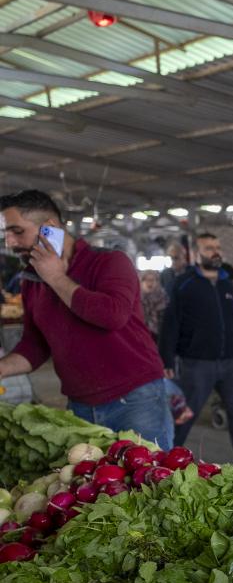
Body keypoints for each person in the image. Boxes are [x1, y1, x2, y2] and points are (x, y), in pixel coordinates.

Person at [0, 189, 173, 448]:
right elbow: (35, 345)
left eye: (17, 231)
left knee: (151, 480)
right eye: (6, 235)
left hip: (135, 399)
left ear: (49, 227)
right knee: (93, 483)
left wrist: (56, 278)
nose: (10, 243)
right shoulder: (32, 279)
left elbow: (112, 315)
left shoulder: (109, 262)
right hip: (80, 405)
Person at [160, 232, 233, 464]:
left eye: (217, 247)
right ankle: (167, 461)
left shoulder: (227, 282)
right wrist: (167, 359)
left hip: (231, 362)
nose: (215, 252)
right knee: (184, 415)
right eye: (209, 248)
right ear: (195, 253)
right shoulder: (183, 284)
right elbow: (170, 323)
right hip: (197, 363)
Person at [139, 270, 167, 343]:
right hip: (140, 335)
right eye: (146, 279)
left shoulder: (163, 298)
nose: (150, 283)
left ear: (157, 282)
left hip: (160, 336)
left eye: (153, 280)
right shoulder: (136, 299)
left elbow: (165, 321)